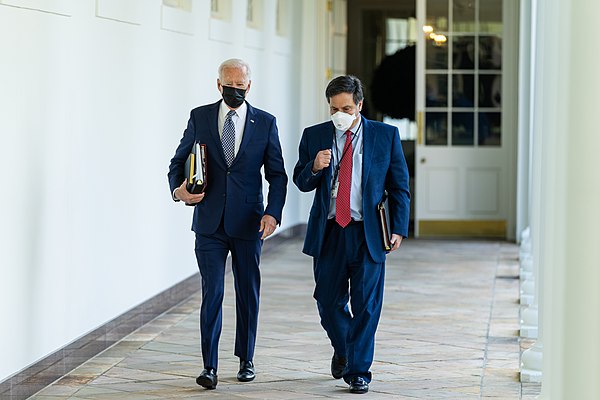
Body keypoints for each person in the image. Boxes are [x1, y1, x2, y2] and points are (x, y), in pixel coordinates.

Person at [168, 58, 287, 390]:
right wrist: (178, 192)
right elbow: (177, 162)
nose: (235, 91)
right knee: (213, 293)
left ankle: (246, 359)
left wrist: (272, 213)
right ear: (218, 85)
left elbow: (277, 176)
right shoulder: (200, 117)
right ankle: (209, 366)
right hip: (209, 223)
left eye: (240, 85)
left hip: (250, 223)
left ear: (249, 86)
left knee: (248, 293)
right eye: (228, 85)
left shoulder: (265, 122)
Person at [293, 75, 410, 394]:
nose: (339, 114)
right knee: (327, 301)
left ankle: (359, 370)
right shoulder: (315, 135)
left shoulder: (385, 136)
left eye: (346, 107)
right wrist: (315, 166)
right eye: (333, 108)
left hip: (367, 232)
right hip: (329, 231)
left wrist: (398, 227)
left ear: (359, 104)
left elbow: (399, 186)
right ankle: (344, 347)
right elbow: (301, 181)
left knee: (367, 305)